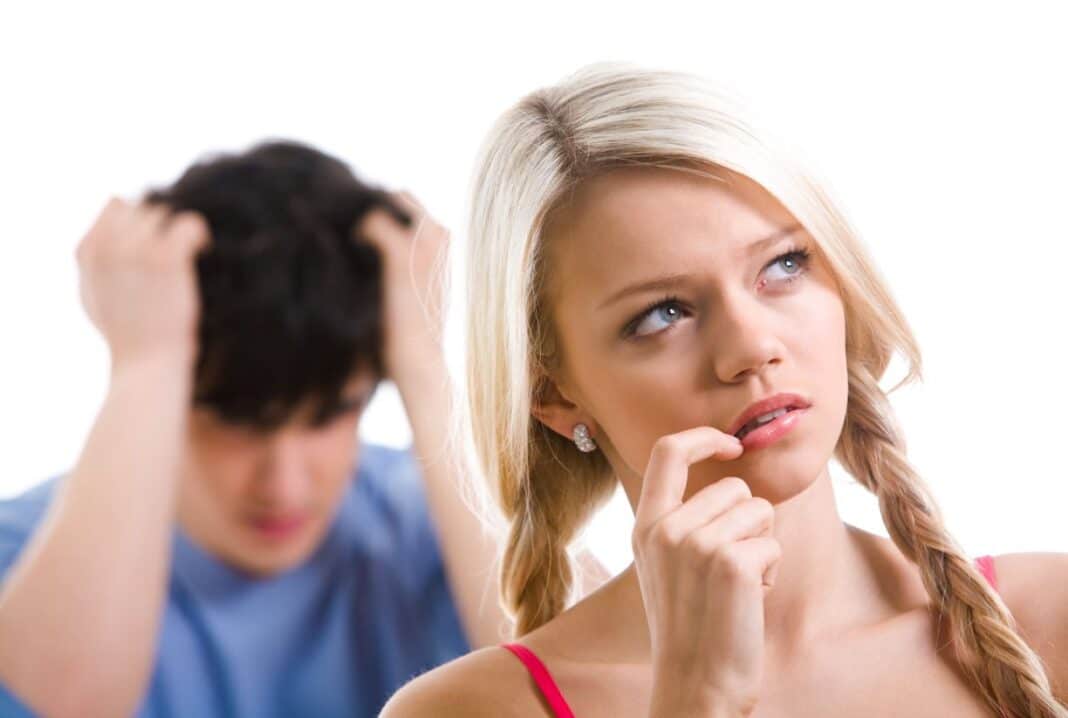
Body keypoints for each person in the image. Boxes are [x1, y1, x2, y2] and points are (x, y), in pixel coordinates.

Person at [382, 64, 1068, 718]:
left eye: (784, 264)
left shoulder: (1051, 620)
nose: (751, 348)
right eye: (663, 314)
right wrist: (695, 698)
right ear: (555, 398)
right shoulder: (467, 710)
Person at [0, 141, 511, 717]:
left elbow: (582, 684)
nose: (284, 487)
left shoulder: (432, 524)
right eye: (235, 422)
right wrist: (146, 362)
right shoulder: (23, 555)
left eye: (328, 414)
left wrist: (424, 360)